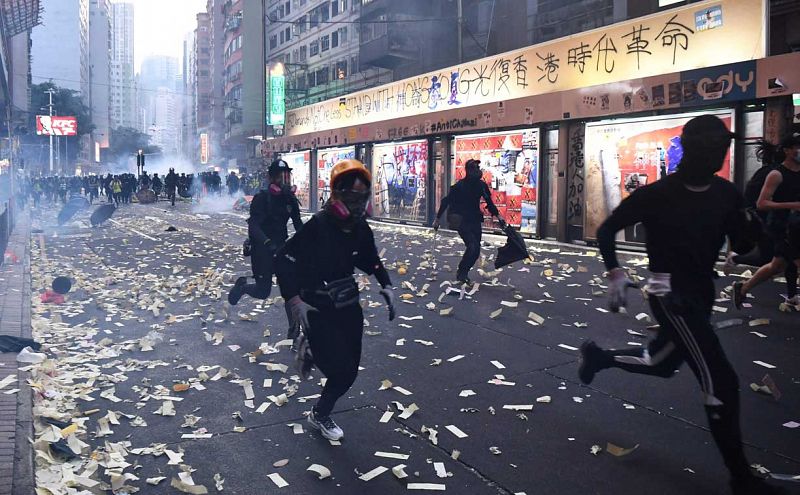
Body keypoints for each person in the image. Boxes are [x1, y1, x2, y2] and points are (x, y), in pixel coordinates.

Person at [578, 115, 784, 495]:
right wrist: (616, 274)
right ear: (695, 149)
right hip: (670, 295)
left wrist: (754, 229)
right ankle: (741, 477)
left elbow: (743, 245)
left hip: (701, 292)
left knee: (662, 363)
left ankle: (598, 357)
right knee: (720, 379)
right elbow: (607, 230)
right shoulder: (658, 194)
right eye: (717, 147)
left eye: (725, 147)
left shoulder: (726, 194)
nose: (722, 154)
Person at [274, 159, 395, 441]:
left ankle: (319, 411)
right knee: (339, 369)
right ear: (337, 195)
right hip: (317, 307)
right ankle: (320, 410)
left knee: (350, 370)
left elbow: (371, 260)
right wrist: (294, 300)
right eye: (352, 197)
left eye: (362, 198)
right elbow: (283, 259)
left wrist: (387, 285)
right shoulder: (318, 225)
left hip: (348, 306)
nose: (357, 205)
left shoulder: (360, 228)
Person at [228, 159, 304, 335]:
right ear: (271, 178)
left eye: (286, 176)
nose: (283, 180)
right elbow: (253, 226)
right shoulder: (261, 199)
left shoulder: (290, 200)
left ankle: (293, 328)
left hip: (282, 248)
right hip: (262, 249)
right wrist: (267, 243)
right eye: (279, 176)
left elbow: (299, 225)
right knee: (263, 291)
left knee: (290, 289)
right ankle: (243, 286)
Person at [725, 139, 798, 304]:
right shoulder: (774, 173)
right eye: (796, 148)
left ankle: (744, 288)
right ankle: (736, 259)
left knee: (777, 264)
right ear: (787, 151)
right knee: (772, 258)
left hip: (792, 226)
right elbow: (759, 203)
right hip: (776, 225)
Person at [432, 159, 504, 284]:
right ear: (469, 170)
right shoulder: (460, 186)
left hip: (475, 219)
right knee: (472, 246)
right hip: (462, 221)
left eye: (478, 167)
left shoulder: (481, 185)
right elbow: (445, 201)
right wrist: (437, 219)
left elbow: (489, 203)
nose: (478, 170)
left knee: (475, 251)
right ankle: (462, 272)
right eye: (475, 168)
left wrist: (499, 217)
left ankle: (463, 271)